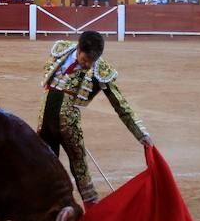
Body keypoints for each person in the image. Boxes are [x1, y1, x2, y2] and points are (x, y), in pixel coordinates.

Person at [37, 31, 152, 209]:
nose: (88, 64)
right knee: (44, 165)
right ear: (78, 48)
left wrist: (140, 133)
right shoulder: (62, 51)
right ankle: (47, 209)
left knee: (80, 166)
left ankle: (92, 211)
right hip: (44, 120)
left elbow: (119, 103)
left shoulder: (100, 69)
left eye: (92, 61)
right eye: (85, 59)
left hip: (69, 126)